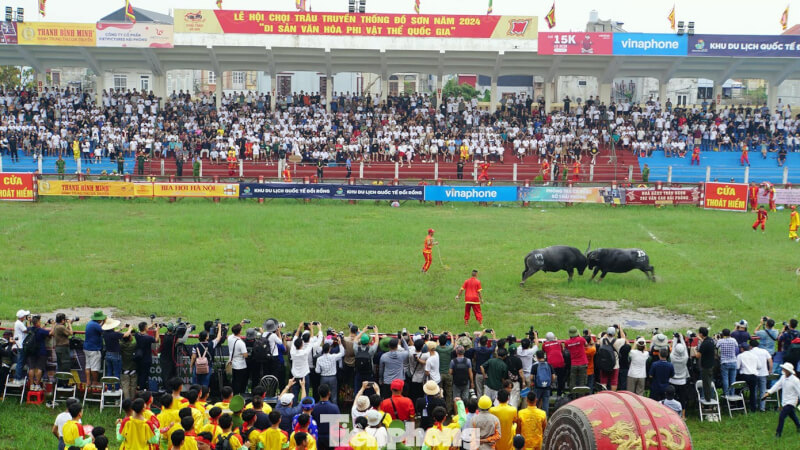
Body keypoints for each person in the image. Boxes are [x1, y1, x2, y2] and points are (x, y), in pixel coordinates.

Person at [762, 362, 800, 438]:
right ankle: (799, 426)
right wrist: (768, 393)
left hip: (791, 402)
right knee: (792, 415)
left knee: (782, 416)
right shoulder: (783, 377)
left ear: (788, 370)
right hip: (785, 401)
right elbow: (777, 385)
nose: (783, 370)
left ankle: (778, 434)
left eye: (784, 369)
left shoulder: (795, 380)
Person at [135, 321, 159, 391]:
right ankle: (142, 389)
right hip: (146, 359)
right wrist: (157, 330)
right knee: (144, 375)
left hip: (139, 358)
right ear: (145, 328)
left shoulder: (137, 335)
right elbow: (156, 340)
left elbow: (142, 330)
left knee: (139, 374)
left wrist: (151, 326)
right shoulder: (148, 338)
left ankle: (139, 386)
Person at [84, 310, 107, 387]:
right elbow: (104, 331)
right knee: (94, 367)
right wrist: (106, 323)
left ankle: (88, 381)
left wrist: (103, 322)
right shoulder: (95, 325)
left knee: (88, 366)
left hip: (86, 348)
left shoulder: (90, 323)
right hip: (94, 349)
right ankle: (95, 382)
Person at [228, 323, 250, 395]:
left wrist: (240, 324)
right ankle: (240, 395)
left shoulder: (230, 338)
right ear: (240, 332)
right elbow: (245, 355)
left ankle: (234, 395)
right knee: (240, 383)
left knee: (234, 381)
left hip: (232, 364)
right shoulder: (241, 343)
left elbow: (233, 333)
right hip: (240, 366)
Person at [695, 327, 716, 402]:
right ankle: (711, 397)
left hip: (705, 366)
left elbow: (698, 355)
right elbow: (705, 343)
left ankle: (708, 400)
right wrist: (700, 339)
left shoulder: (704, 344)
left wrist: (694, 350)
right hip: (711, 365)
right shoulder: (710, 340)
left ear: (701, 334)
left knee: (706, 384)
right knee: (710, 382)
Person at [716, 328, 739, 397]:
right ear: (730, 334)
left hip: (724, 362)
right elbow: (736, 346)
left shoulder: (720, 341)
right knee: (733, 379)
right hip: (733, 361)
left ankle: (726, 394)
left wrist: (717, 338)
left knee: (725, 379)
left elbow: (716, 347)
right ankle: (732, 394)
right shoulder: (733, 340)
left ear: (722, 334)